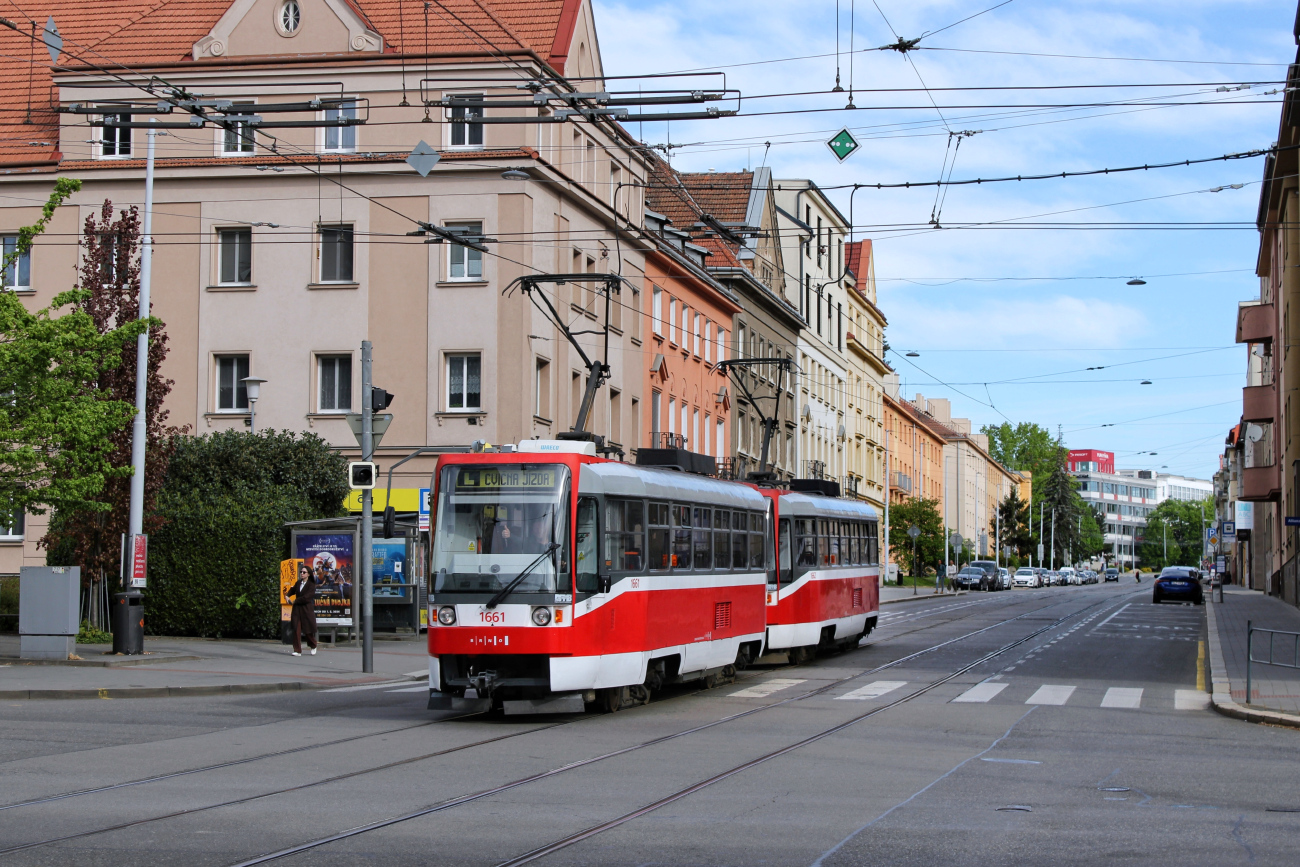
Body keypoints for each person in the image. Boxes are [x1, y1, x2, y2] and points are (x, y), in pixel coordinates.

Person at [285, 563, 318, 656]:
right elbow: (293, 590)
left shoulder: (311, 585)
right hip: (297, 609)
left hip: (306, 609)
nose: (302, 574)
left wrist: (295, 601)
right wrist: (287, 596)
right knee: (296, 628)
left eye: (304, 572)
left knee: (308, 630)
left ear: (308, 574)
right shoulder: (298, 583)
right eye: (301, 572)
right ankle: (297, 650)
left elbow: (307, 597)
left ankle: (313, 645)